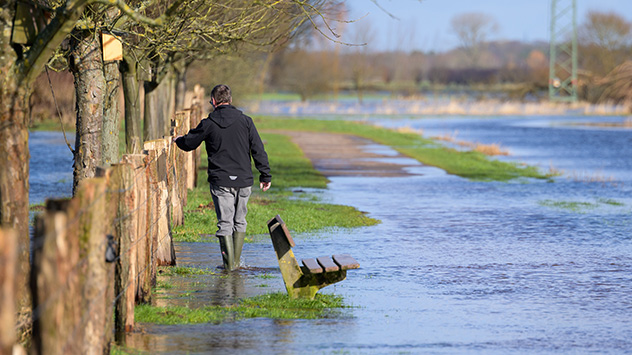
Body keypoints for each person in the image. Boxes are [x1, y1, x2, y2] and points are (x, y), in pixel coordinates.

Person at [173, 84, 271, 271]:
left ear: (213, 101)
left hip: (221, 180)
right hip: (244, 180)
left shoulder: (208, 123)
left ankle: (229, 266)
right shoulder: (246, 121)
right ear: (230, 100)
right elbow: (258, 149)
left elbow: (189, 143)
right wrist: (265, 174)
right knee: (239, 220)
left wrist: (179, 140)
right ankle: (235, 264)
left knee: (225, 222)